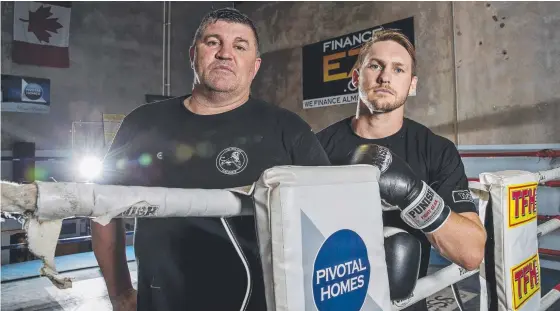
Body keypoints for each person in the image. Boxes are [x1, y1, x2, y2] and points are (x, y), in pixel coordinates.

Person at [91, 7, 331, 311]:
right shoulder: (143, 123)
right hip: (162, 301)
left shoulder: (287, 129)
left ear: (254, 66)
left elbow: (328, 220)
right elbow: (101, 209)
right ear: (193, 54)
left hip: (256, 303)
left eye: (239, 46)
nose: (225, 54)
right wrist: (120, 291)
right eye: (213, 42)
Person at [316, 29, 487, 310]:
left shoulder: (436, 150)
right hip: (331, 298)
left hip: (406, 301)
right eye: (375, 66)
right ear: (356, 77)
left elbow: (472, 253)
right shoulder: (317, 146)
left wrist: (415, 196)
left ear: (412, 84)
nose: (385, 77)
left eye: (398, 69)